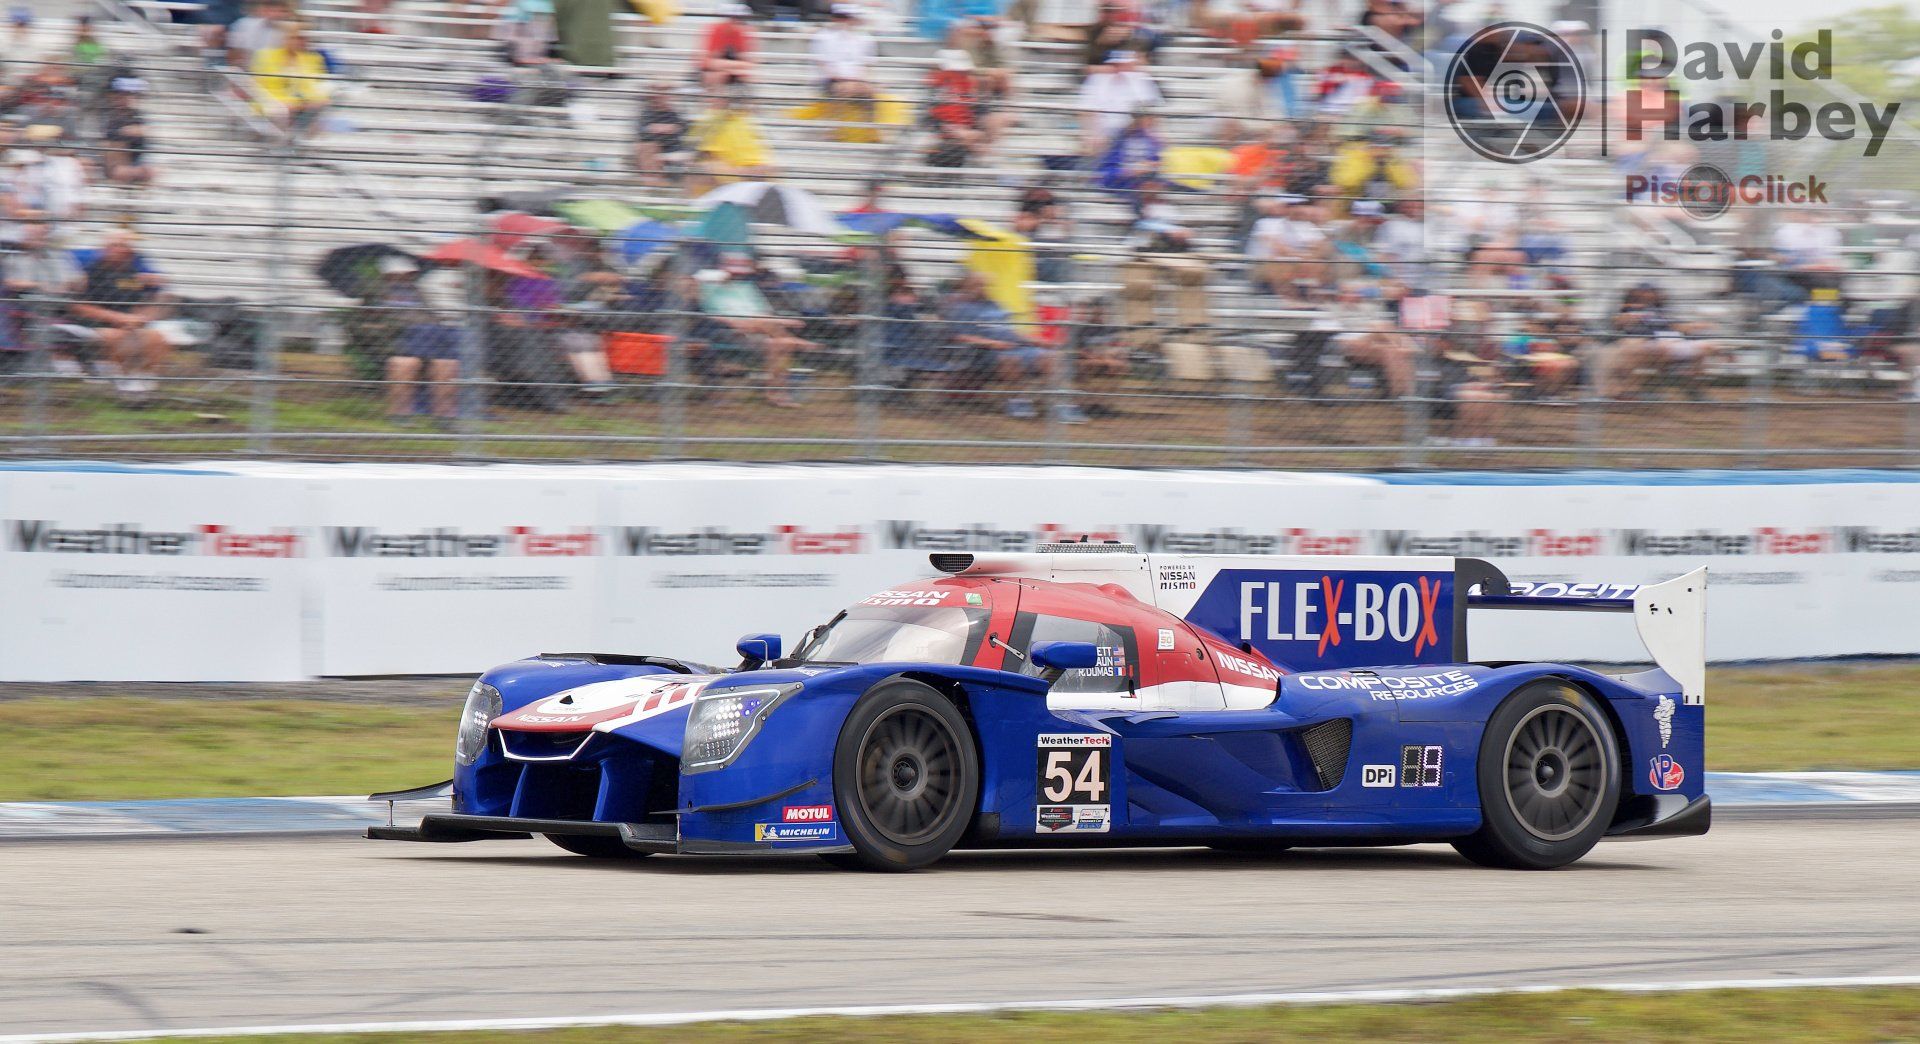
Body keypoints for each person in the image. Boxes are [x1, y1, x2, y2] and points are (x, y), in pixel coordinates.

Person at [940, 272, 1071, 420]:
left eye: (985, 285)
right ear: (966, 286)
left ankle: (1059, 402)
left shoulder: (993, 304)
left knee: (1050, 357)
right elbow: (960, 336)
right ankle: (1018, 400)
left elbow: (1009, 332)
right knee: (1011, 359)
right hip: (984, 353)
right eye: (978, 285)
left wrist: (1035, 341)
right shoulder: (960, 307)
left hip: (1014, 346)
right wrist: (992, 343)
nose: (983, 288)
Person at [697, 257, 819, 407]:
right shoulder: (709, 287)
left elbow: (764, 312)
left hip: (760, 329)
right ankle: (792, 343)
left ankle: (776, 394)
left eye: (739, 274)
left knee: (779, 345)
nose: (737, 277)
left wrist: (778, 321)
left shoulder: (746, 287)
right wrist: (737, 322)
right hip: (731, 331)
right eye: (734, 274)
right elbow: (711, 314)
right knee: (772, 334)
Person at [68, 231, 172, 394]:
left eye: (124, 246)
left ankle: (145, 377)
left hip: (130, 321)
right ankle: (123, 377)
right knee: (116, 337)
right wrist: (118, 318)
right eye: (114, 245)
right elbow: (78, 306)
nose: (118, 250)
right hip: (96, 321)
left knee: (156, 337)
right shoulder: (92, 270)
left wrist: (141, 318)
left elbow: (157, 296)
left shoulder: (137, 270)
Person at [373, 258, 461, 421]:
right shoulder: (376, 293)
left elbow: (432, 316)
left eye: (407, 275)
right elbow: (373, 323)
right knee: (406, 363)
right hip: (399, 339)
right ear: (387, 276)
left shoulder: (418, 292)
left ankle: (444, 415)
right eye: (397, 275)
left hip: (427, 335)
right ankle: (400, 413)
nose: (403, 279)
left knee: (447, 363)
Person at [250, 22, 333, 133]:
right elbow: (262, 86)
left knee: (319, 107)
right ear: (284, 38)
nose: (299, 41)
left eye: (302, 38)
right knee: (284, 111)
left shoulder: (312, 59)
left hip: (301, 104)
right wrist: (289, 102)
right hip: (271, 101)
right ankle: (286, 142)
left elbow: (312, 87)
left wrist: (306, 101)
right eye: (295, 38)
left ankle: (301, 143)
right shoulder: (265, 56)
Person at [1076, 49, 1159, 155]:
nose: (1119, 69)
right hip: (1104, 133)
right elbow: (1085, 111)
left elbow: (1149, 111)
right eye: (1115, 65)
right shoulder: (1097, 79)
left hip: (1132, 132)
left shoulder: (1140, 79)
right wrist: (1093, 134)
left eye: (1123, 64)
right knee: (1092, 144)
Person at [811, 5, 877, 100]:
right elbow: (824, 66)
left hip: (856, 80)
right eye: (841, 17)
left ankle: (867, 114)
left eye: (847, 17)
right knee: (844, 89)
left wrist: (855, 81)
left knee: (868, 91)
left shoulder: (865, 38)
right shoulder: (823, 37)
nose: (844, 21)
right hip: (829, 80)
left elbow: (865, 66)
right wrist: (844, 81)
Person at [633, 84, 691, 186]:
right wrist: (666, 129)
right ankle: (653, 184)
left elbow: (682, 129)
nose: (662, 98)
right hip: (653, 151)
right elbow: (642, 132)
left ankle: (656, 183)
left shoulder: (674, 114)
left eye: (665, 95)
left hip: (673, 150)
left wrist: (657, 128)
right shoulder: (647, 113)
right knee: (646, 146)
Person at [100, 80, 153, 187]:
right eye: (124, 95)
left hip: (136, 159)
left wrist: (132, 131)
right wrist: (126, 131)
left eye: (130, 96)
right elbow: (110, 139)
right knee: (122, 170)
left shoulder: (137, 115)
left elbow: (143, 133)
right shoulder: (111, 115)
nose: (127, 99)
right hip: (116, 162)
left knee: (150, 171)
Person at [699, 2, 757, 92]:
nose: (738, 22)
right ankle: (716, 104)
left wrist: (729, 68)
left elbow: (749, 64)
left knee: (747, 77)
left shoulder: (742, 32)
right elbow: (708, 63)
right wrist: (732, 67)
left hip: (732, 72)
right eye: (735, 18)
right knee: (717, 76)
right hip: (713, 72)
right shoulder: (716, 30)